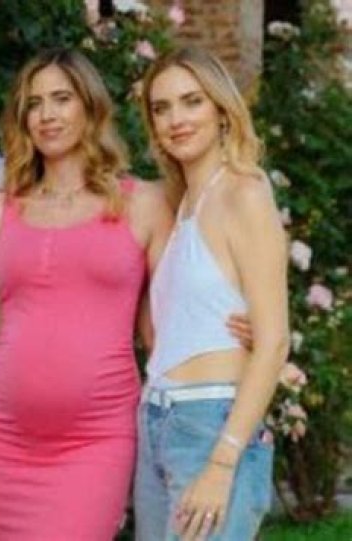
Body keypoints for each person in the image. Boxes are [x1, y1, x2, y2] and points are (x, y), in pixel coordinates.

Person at [0, 48, 173, 541]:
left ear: (90, 106)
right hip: (5, 440)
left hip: (96, 439)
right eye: (34, 103)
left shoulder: (142, 204)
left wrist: (237, 344)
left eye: (61, 98)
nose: (47, 114)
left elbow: (163, 331)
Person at [133, 47, 289, 541]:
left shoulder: (245, 192)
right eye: (161, 108)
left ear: (222, 109)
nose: (176, 119)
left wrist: (223, 462)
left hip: (210, 423)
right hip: (157, 417)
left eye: (192, 101)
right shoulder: (180, 203)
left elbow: (275, 341)